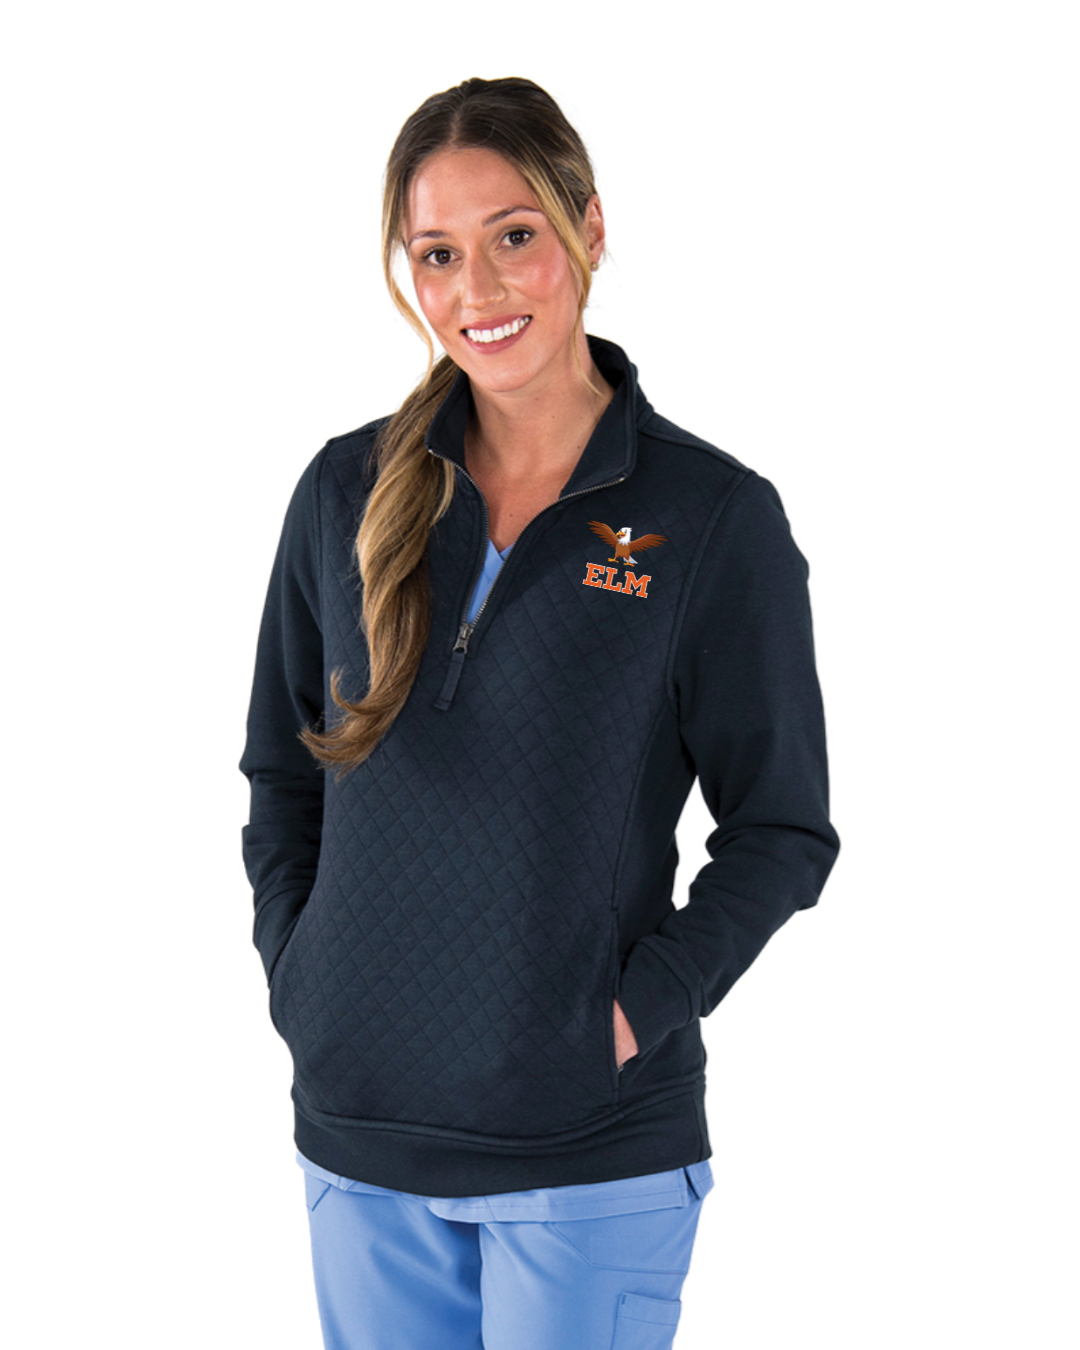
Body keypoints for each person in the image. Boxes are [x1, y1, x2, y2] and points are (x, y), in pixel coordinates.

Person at [239, 75, 840, 1350]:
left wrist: (631, 1014)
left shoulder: (709, 519)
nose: (479, 290)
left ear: (590, 227)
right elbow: (283, 773)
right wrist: (306, 981)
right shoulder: (344, 491)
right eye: (437, 254)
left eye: (514, 235)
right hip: (359, 1139)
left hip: (588, 1153)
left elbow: (783, 830)